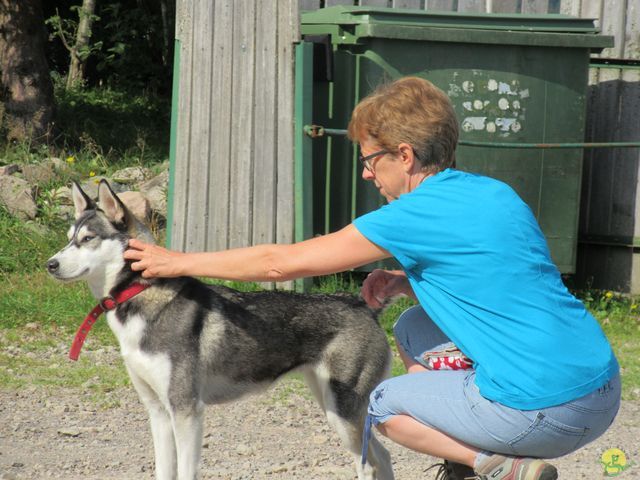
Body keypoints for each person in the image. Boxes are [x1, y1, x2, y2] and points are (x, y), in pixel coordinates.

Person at [124, 76, 621, 480]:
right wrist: (409, 282)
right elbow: (506, 273)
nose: (366, 174)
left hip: (543, 414)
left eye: (368, 159)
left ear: (403, 156)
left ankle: (491, 465)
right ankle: (463, 453)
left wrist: (179, 262)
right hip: (601, 390)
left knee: (380, 405)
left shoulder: (406, 215)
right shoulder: (495, 193)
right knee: (412, 328)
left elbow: (280, 263)